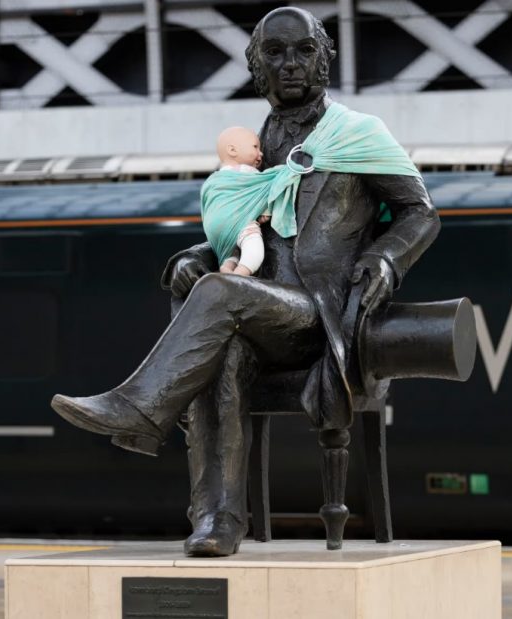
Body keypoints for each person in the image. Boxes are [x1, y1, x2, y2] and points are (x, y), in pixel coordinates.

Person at [51, 7, 440, 557]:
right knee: (220, 345)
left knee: (217, 293)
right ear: (256, 64)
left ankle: (139, 410)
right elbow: (243, 229)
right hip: (254, 304)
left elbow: (420, 213)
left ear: (323, 58)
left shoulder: (357, 134)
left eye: (303, 51)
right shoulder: (256, 145)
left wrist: (385, 261)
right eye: (274, 53)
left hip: (317, 311)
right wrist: (196, 254)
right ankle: (217, 521)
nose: (289, 65)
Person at [208, 126, 268, 276]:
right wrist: (266, 212)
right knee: (253, 250)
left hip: (216, 229)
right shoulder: (247, 173)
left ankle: (227, 267)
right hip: (239, 221)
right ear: (232, 150)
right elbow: (265, 191)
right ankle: (240, 275)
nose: (260, 153)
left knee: (233, 253)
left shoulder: (215, 178)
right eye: (255, 147)